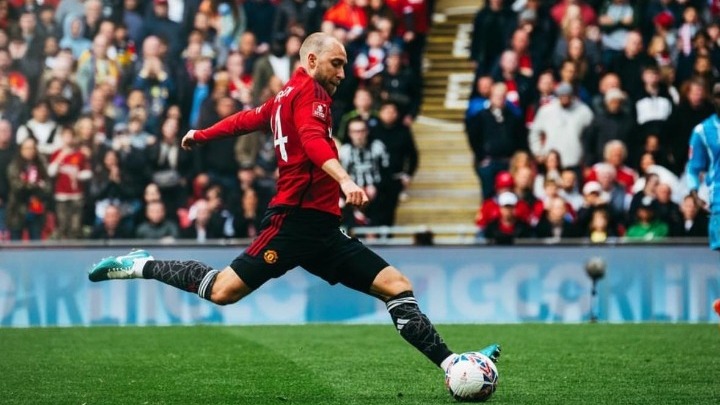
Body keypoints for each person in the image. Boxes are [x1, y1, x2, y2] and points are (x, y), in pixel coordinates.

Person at [88, 33, 500, 374]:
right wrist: (344, 179)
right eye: (336, 64)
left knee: (396, 286)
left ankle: (454, 365)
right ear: (311, 60)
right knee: (222, 291)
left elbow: (247, 119)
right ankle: (142, 264)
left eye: (344, 65)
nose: (342, 73)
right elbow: (313, 140)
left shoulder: (285, 96)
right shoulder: (310, 95)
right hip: (292, 223)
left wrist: (202, 134)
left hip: (323, 230)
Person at [686, 81, 720, 250]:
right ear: (713, 99)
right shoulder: (702, 131)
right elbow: (693, 168)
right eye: (719, 96)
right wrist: (695, 194)